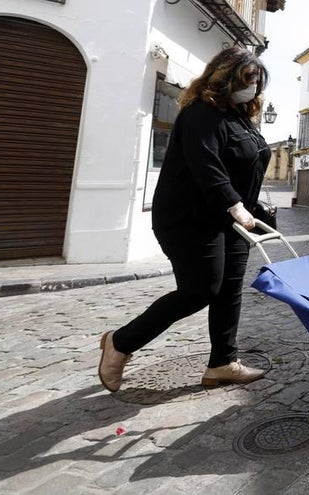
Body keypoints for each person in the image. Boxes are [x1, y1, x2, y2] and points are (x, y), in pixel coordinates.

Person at [98, 46, 273, 392]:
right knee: (199, 290)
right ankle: (119, 343)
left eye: (256, 80)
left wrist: (250, 208)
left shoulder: (240, 117)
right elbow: (207, 167)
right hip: (190, 219)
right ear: (225, 78)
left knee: (229, 291)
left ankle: (223, 363)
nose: (252, 86)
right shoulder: (200, 115)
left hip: (231, 222)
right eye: (246, 79)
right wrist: (234, 204)